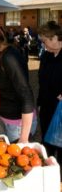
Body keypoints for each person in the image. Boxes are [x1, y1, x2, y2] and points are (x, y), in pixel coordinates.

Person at [37, 21, 62, 171]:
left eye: (45, 41)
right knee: (47, 144)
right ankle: (49, 174)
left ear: (54, 38)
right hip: (46, 107)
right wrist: (39, 104)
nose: (43, 44)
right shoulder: (46, 56)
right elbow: (42, 81)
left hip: (60, 109)